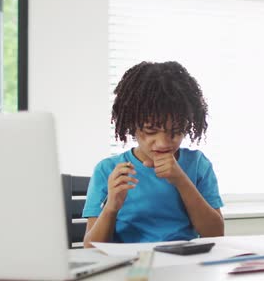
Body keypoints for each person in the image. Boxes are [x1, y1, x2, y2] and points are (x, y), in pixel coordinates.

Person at [82, 61, 224, 247]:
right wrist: (111, 207)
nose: (164, 143)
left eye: (176, 131)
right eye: (150, 131)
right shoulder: (108, 170)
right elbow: (90, 248)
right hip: (131, 268)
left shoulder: (198, 165)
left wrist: (181, 180)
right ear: (131, 125)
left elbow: (216, 233)